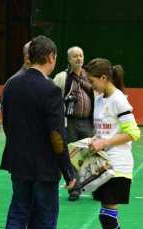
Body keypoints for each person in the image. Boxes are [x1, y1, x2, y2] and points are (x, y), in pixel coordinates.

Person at [0, 35, 76, 229]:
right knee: (46, 222)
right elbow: (56, 136)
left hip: (18, 164)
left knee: (17, 217)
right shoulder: (50, 89)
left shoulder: (11, 84)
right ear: (51, 57)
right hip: (43, 167)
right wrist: (68, 171)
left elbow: (7, 125)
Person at [84, 58, 141, 229]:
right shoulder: (99, 100)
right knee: (106, 216)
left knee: (106, 217)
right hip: (103, 165)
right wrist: (94, 140)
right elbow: (105, 131)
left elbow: (133, 133)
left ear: (104, 77)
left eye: (92, 81)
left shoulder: (119, 100)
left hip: (117, 166)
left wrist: (104, 144)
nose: (91, 85)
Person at [53, 46, 95, 201]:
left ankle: (95, 188)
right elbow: (53, 100)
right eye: (75, 56)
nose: (79, 58)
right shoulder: (61, 77)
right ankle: (75, 190)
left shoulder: (90, 76)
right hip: (69, 123)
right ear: (69, 59)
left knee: (92, 155)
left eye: (81, 55)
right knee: (71, 156)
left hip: (87, 122)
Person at [0, 41, 31, 113]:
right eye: (39, 56)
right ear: (27, 58)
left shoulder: (48, 81)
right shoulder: (12, 83)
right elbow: (6, 113)